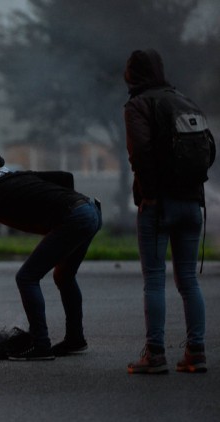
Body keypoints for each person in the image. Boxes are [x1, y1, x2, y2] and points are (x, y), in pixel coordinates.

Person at [0, 150, 102, 361]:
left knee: (27, 277)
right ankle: (75, 339)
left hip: (75, 217)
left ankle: (40, 344)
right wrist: (60, 205)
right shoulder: (18, 177)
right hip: (91, 210)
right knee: (64, 276)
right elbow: (67, 177)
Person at [123, 49, 215, 374]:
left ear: (132, 75)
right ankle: (196, 352)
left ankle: (156, 354)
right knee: (189, 279)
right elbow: (210, 149)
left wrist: (149, 195)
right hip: (192, 203)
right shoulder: (184, 100)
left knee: (154, 279)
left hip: (158, 204)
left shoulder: (138, 105)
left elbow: (140, 153)